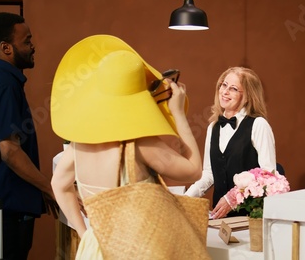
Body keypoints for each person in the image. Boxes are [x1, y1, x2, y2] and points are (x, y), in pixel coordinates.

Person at [50, 35, 209, 259]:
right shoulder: (141, 143)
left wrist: (84, 232)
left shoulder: (79, 142)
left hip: (95, 248)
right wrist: (179, 114)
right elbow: (193, 170)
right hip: (137, 247)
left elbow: (58, 184)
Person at [0, 12, 58, 259]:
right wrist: (49, 188)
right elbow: (9, 151)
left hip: (6, 207)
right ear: (6, 48)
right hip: (4, 209)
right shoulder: (2, 84)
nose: (33, 46)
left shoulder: (3, 82)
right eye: (27, 41)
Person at [185, 67, 277, 219]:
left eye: (233, 88)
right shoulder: (213, 127)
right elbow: (209, 174)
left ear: (248, 96)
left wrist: (232, 198)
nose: (225, 92)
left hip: (249, 216)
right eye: (224, 85)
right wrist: (185, 198)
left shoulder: (258, 125)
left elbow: (269, 175)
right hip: (219, 216)